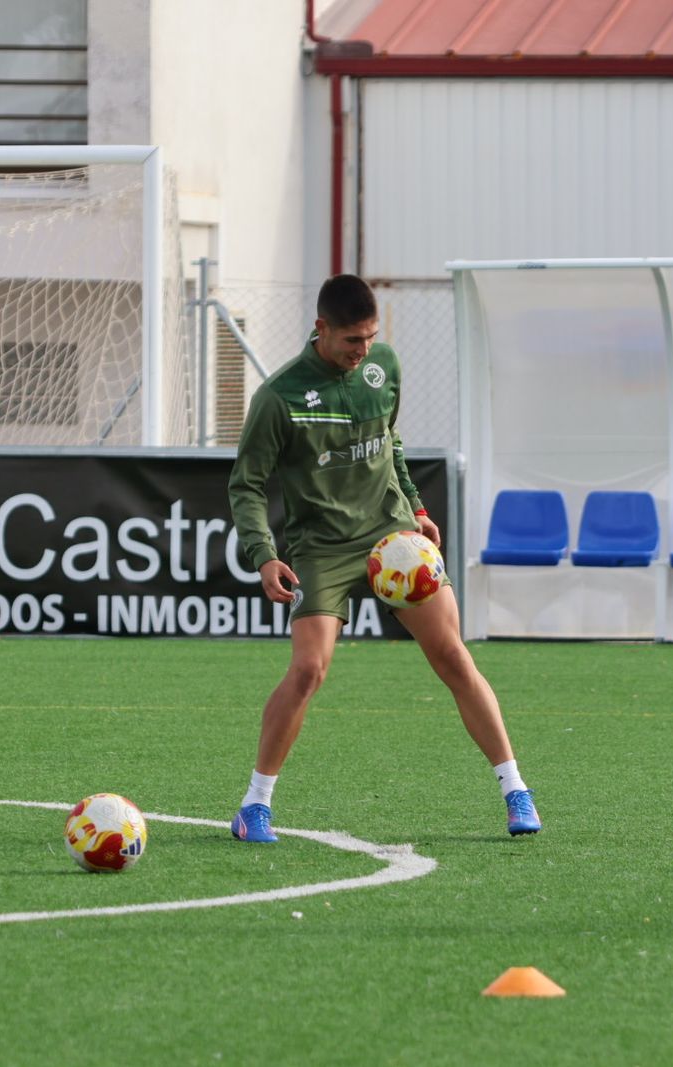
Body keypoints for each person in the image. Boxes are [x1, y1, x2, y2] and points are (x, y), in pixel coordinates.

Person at [226, 273, 540, 842]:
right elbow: (246, 485)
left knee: (452, 656)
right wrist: (264, 555)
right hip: (321, 547)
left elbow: (390, 439)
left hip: (393, 538)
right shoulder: (279, 397)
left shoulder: (383, 367)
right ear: (321, 329)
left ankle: (516, 790)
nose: (364, 350)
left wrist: (416, 507)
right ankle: (254, 806)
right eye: (352, 340)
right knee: (308, 671)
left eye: (371, 337)